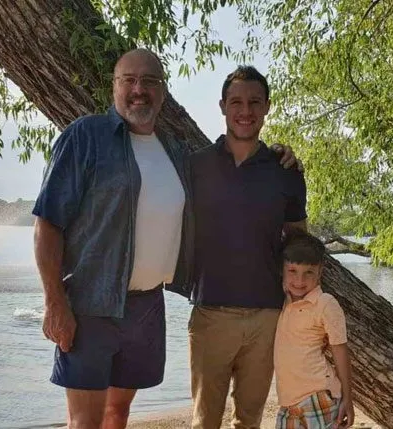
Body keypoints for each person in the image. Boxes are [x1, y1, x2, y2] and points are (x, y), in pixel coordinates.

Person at [32, 50, 298, 429]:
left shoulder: (176, 153)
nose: (139, 90)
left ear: (163, 91)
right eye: (129, 80)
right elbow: (47, 224)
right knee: (84, 421)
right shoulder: (86, 136)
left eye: (150, 81)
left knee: (118, 413)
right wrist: (54, 302)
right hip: (91, 305)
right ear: (115, 86)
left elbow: (233, 180)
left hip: (146, 307)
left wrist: (278, 156)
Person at [188, 65, 308, 429]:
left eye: (255, 102)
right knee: (204, 421)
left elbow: (298, 243)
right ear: (222, 106)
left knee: (250, 420)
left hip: (266, 317)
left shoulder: (285, 171)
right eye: (236, 102)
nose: (246, 110)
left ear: (268, 107)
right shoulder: (195, 165)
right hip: (210, 313)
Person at [274, 231, 354, 429]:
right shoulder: (280, 301)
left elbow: (340, 350)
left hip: (319, 397)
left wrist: (348, 398)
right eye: (293, 271)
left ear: (320, 272)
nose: (300, 281)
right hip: (288, 402)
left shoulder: (325, 303)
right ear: (282, 270)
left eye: (308, 272)